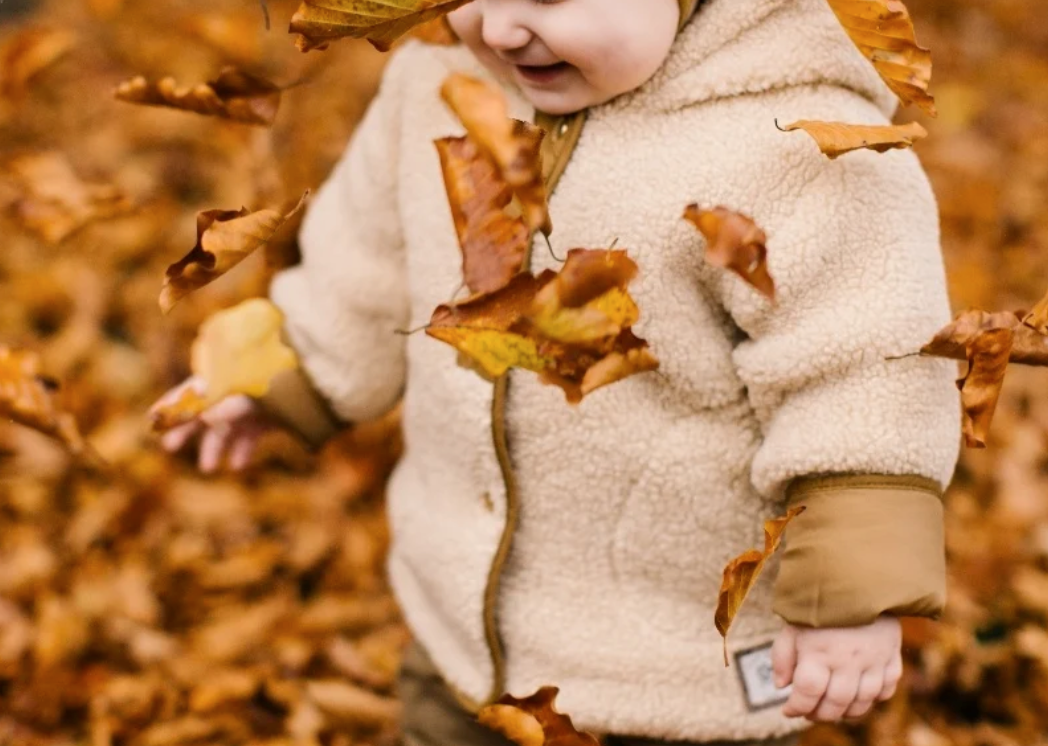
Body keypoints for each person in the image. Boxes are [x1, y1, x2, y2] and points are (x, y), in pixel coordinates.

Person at [154, 1, 961, 744]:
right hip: (466, 644)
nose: (502, 27)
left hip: (679, 678)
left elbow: (865, 367)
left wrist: (853, 591)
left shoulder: (794, 142)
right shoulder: (436, 79)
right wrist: (286, 371)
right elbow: (364, 261)